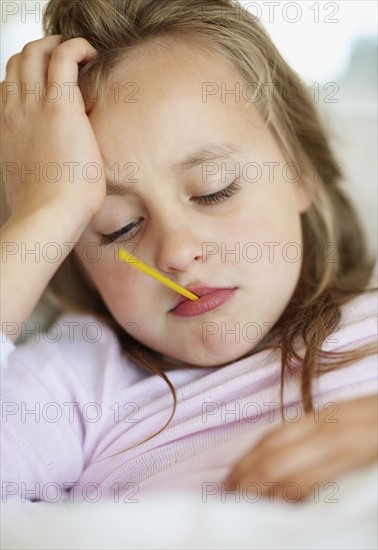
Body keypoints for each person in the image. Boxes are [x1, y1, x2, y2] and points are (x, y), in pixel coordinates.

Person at [1, 0, 377, 504]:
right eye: (119, 228)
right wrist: (44, 214)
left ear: (301, 169)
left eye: (214, 190)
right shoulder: (74, 389)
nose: (177, 252)